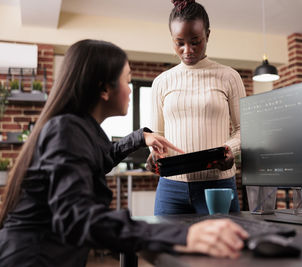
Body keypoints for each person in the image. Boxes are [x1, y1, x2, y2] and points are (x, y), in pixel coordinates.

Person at [0, 39, 248, 266]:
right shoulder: (66, 130)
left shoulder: (81, 128)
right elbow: (78, 219)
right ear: (104, 90)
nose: (130, 89)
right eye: (127, 80)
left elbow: (103, 157)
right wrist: (182, 235)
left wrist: (141, 137)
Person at [146, 0, 247, 215]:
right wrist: (154, 154)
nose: (187, 50)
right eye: (179, 43)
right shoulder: (162, 82)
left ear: (207, 35)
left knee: (223, 248)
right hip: (171, 188)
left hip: (217, 185)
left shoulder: (229, 77)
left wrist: (230, 151)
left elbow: (244, 129)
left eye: (196, 41)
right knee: (165, 247)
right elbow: (157, 135)